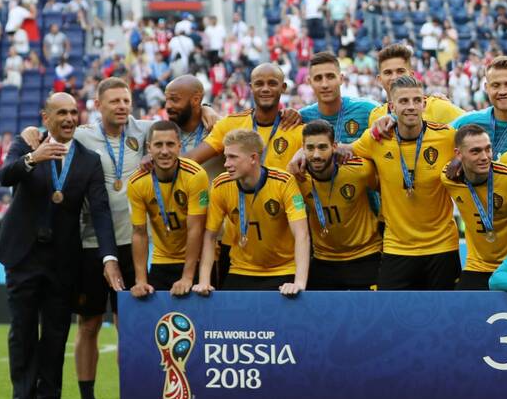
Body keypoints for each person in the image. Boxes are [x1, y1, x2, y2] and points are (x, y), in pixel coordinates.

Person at [0, 92, 121, 399]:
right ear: (46, 117)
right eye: (61, 113)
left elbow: (100, 211)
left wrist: (109, 256)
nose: (69, 118)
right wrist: (33, 158)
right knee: (22, 329)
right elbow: (4, 176)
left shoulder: (89, 160)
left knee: (55, 332)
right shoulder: (26, 145)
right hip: (23, 254)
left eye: (74, 113)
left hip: (63, 258)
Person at [66, 76, 154, 399]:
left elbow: (183, 121)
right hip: (91, 243)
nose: (122, 106)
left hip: (134, 242)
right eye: (114, 101)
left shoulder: (145, 131)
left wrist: (206, 109)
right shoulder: (83, 135)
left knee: (127, 326)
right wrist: (28, 135)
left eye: (126, 100)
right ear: (98, 104)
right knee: (87, 324)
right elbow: (49, 134)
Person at [352, 76, 461, 289]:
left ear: (424, 103)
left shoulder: (447, 136)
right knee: (391, 316)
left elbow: (475, 146)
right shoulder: (376, 138)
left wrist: (459, 158)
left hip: (442, 246)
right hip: (397, 247)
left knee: (445, 316)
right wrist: (302, 151)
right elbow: (344, 151)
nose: (410, 107)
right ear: (392, 106)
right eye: (403, 101)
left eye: (415, 100)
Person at [194, 129, 310, 295]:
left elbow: (302, 234)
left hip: (283, 270)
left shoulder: (283, 182)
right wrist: (204, 281)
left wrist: (299, 283)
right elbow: (210, 236)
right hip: (241, 270)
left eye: (233, 157)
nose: (226, 163)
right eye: (226, 157)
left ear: (253, 158)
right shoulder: (221, 185)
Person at [443, 124, 507, 290]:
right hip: (478, 266)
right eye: (475, 151)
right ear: (458, 154)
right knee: (457, 310)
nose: (485, 157)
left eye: (488, 149)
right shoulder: (449, 177)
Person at [126, 121, 209, 298]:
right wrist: (141, 281)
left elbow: (196, 228)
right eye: (158, 145)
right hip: (161, 259)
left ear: (179, 146)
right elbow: (139, 232)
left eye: (170, 144)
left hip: (197, 261)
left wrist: (187, 277)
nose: (164, 151)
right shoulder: (136, 183)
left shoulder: (197, 176)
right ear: (149, 148)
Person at [298, 120, 382, 290]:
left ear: (334, 146)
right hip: (324, 260)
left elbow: (385, 189)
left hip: (366, 255)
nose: (316, 155)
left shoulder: (360, 170)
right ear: (302, 149)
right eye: (310, 148)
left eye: (323, 147)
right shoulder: (297, 179)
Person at [189, 63, 303, 172]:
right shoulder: (230, 124)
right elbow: (192, 159)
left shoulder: (297, 129)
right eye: (259, 84)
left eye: (272, 83)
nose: (265, 89)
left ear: (283, 87)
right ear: (251, 88)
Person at [366, 42, 463, 127]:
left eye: (400, 71)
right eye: (388, 72)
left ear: (412, 75)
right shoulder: (376, 116)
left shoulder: (437, 106)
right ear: (379, 80)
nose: (394, 77)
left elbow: (474, 122)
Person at [299, 52, 378, 143]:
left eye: (330, 77)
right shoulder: (302, 117)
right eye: (318, 78)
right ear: (310, 82)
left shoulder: (368, 109)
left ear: (341, 79)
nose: (324, 84)